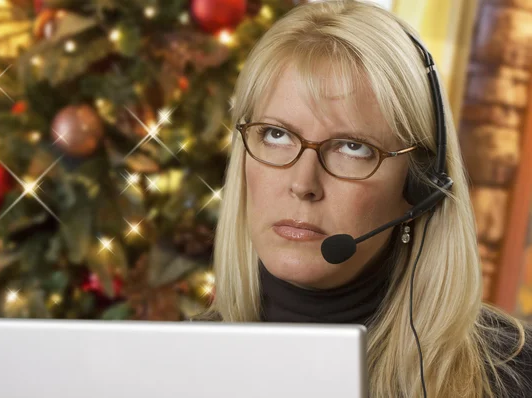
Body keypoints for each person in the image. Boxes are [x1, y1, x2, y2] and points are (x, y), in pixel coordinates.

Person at [192, 0, 532, 397]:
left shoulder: (516, 376)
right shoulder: (168, 367)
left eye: (352, 147)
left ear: (419, 186)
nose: (303, 183)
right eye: (276, 134)